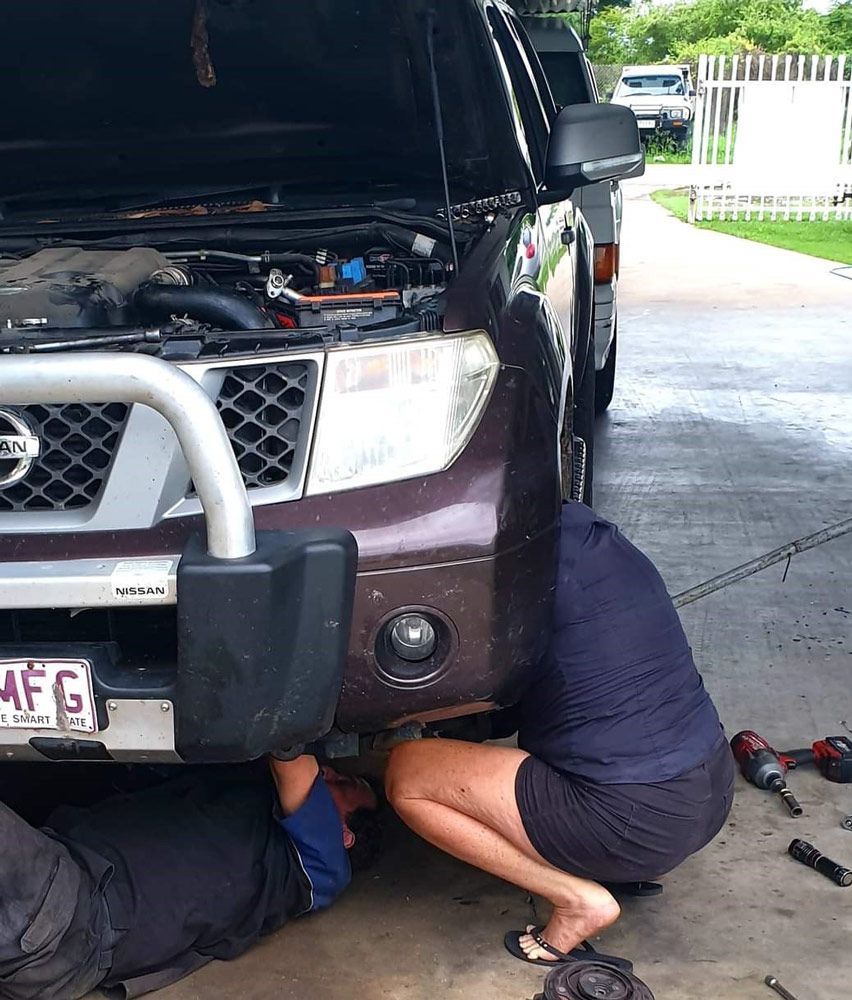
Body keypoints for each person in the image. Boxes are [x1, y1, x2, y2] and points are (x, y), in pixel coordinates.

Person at [385, 501, 734, 967]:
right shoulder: (601, 544)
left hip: (633, 817)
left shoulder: (512, 575)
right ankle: (608, 865)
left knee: (407, 773)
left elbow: (463, 688)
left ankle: (575, 899)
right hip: (711, 788)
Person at [0, 754, 379, 999]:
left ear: (345, 836)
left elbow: (291, 752)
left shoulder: (326, 867)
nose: (329, 771)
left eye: (346, 784)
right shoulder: (254, 810)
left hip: (66, 917)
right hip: (54, 911)